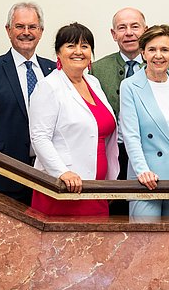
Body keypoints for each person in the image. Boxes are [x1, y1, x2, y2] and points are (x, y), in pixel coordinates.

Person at [90, 7, 169, 214]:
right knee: (117, 215)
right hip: (116, 151)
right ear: (113, 34)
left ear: (145, 30)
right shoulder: (98, 68)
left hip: (152, 155)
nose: (129, 33)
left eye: (134, 26)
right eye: (122, 28)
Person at [0, 2, 55, 204]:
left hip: (48, 176)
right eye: (19, 26)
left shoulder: (53, 71)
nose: (26, 32)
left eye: (32, 27)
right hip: (4, 176)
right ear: (8, 30)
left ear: (41, 31)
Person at [28, 23, 119, 216]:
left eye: (85, 46)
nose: (78, 51)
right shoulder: (48, 86)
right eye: (71, 45)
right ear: (58, 53)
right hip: (63, 189)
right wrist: (62, 173)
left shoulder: (93, 83)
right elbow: (39, 138)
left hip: (96, 189)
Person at [120, 24, 169, 217]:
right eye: (152, 49)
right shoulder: (130, 86)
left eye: (164, 49)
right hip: (146, 178)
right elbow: (131, 135)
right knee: (146, 243)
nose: (158, 55)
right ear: (143, 53)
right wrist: (142, 171)